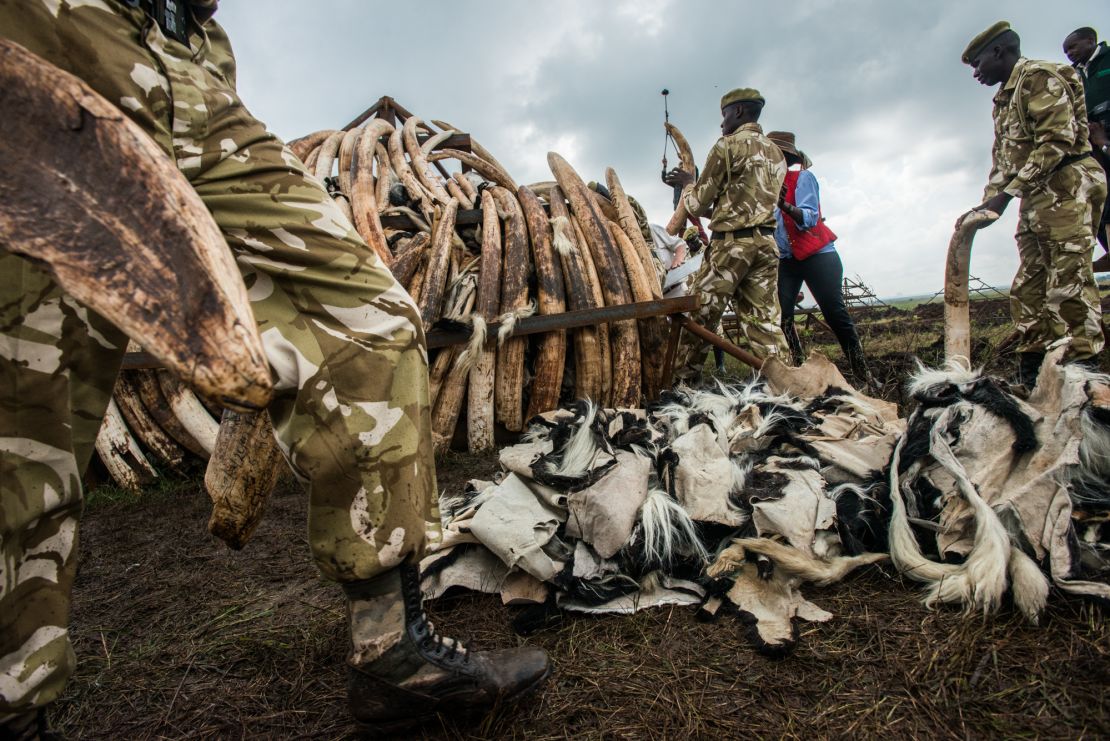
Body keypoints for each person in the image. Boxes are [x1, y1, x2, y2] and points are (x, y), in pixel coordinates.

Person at [0, 1, 548, 736]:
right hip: (47, 26)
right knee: (25, 394)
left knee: (372, 319)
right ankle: (16, 703)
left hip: (182, 49)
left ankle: (393, 651)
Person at [962, 21, 1106, 385]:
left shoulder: (1041, 77)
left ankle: (1084, 379)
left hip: (1067, 186)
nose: (976, 73)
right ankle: (1034, 374)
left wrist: (1007, 195)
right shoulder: (1004, 99)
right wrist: (985, 207)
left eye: (978, 64)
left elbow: (1055, 143)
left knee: (1069, 281)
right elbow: (1004, 162)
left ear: (999, 52)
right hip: (1036, 195)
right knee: (1029, 286)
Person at [664, 87, 789, 383]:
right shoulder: (776, 154)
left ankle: (682, 387)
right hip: (766, 245)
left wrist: (687, 183)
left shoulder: (727, 146)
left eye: (724, 115)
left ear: (739, 112)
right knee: (765, 324)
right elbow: (739, 206)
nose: (721, 123)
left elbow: (697, 203)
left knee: (702, 319)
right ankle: (786, 387)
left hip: (731, 248)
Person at [766, 131, 873, 384]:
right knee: (783, 317)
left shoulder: (803, 178)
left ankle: (862, 372)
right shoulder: (764, 189)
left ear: (783, 158)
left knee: (834, 312)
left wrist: (784, 206)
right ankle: (799, 369)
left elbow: (810, 218)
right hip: (787, 259)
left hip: (817, 256)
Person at [1063, 26, 1110, 250]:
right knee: (1098, 199)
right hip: (1089, 139)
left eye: (1073, 47)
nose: (1069, 53)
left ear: (1091, 41)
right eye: (1066, 51)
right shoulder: (1072, 74)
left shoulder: (1107, 59)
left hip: (1105, 133)